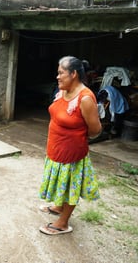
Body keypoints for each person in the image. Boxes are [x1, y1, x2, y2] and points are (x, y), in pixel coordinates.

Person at [38, 56, 102, 235]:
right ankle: (59, 207)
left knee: (70, 186)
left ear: (73, 74)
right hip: (56, 149)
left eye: (61, 73)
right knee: (61, 182)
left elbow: (95, 129)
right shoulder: (62, 91)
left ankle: (63, 223)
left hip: (71, 154)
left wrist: (74, 137)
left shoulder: (85, 98)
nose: (57, 77)